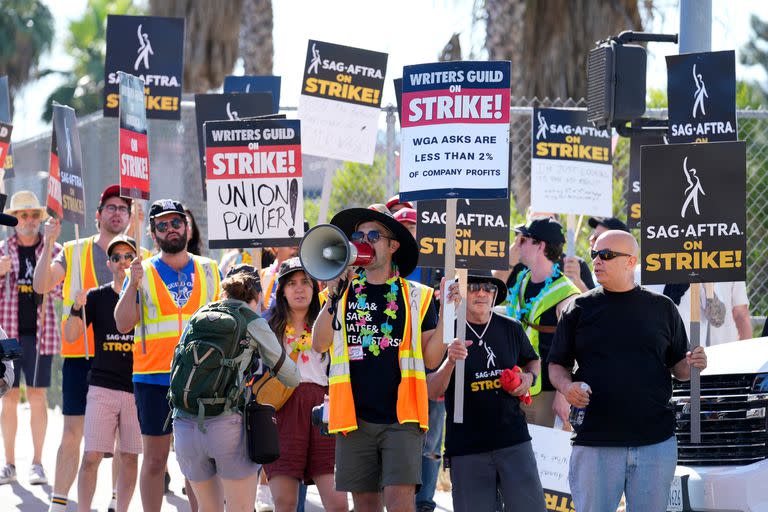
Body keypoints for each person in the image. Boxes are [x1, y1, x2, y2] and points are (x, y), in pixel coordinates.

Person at [548, 230, 707, 512]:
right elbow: (557, 364)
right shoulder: (579, 308)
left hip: (654, 442)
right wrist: (566, 387)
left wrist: (692, 364)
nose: (597, 260)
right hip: (595, 440)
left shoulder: (662, 308)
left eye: (606, 255)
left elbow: (679, 368)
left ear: (630, 261)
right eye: (594, 253)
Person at [313, 204, 458, 512]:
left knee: (399, 502)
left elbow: (431, 359)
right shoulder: (341, 291)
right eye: (359, 235)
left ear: (393, 245)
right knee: (365, 505)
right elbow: (319, 342)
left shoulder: (418, 295)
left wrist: (447, 315)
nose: (365, 241)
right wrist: (334, 294)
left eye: (374, 235)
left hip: (401, 418)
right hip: (353, 417)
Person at [115, 198, 221, 512]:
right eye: (162, 225)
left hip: (201, 378)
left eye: (176, 222)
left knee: (196, 460)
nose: (171, 229)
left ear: (187, 226)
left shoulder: (209, 269)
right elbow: (122, 323)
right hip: (153, 378)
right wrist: (131, 284)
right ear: (152, 232)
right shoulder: (141, 270)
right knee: (156, 459)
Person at [33, 184, 133, 512]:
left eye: (123, 208)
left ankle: (117, 501)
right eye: (111, 207)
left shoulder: (138, 254)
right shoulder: (74, 249)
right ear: (98, 215)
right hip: (81, 357)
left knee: (123, 442)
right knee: (73, 432)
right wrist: (48, 242)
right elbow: (42, 284)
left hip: (125, 358)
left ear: (129, 218)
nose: (117, 213)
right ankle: (59, 503)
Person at [172, 269, 300, 512]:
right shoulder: (252, 320)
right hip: (225, 426)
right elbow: (292, 377)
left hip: (185, 425)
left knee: (207, 509)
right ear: (258, 296)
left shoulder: (200, 314)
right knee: (239, 508)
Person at [427, 271, 546, 512]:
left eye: (488, 288)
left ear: (495, 296)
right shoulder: (448, 331)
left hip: (513, 441)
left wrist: (528, 378)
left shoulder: (510, 328)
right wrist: (450, 362)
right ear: (461, 292)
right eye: (473, 287)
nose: (481, 292)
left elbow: (533, 361)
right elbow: (432, 390)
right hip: (468, 447)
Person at [264, 257, 348, 512]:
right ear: (282, 291)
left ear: (315, 287)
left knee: (338, 503)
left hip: (323, 409)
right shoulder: (268, 326)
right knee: (285, 503)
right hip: (283, 410)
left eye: (305, 282)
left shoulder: (330, 319)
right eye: (291, 283)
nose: (299, 289)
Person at [65, 236, 141, 512]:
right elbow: (71, 336)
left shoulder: (146, 296)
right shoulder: (96, 297)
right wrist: (76, 306)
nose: (123, 262)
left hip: (136, 387)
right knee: (91, 456)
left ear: (137, 260)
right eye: (117, 257)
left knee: (130, 457)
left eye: (128, 256)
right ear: (109, 264)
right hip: (102, 386)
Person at [0, 191, 61, 485]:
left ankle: (37, 463)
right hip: (8, 336)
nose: (28, 220)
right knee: (9, 397)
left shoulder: (53, 248)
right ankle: (9, 463)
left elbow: (61, 290)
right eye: (22, 215)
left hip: (41, 335)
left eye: (34, 215)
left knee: (38, 397)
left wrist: (50, 252)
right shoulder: (2, 250)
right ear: (14, 219)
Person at [505, 217, 580, 427]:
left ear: (541, 245)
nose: (518, 245)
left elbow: (575, 347)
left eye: (524, 240)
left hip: (546, 393)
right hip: (516, 384)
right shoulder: (522, 279)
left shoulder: (566, 293)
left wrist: (563, 392)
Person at [393, 207, 443, 512]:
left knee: (431, 437)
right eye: (404, 228)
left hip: (428, 364)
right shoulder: (385, 266)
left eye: (414, 227)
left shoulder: (437, 266)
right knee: (398, 436)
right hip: (393, 367)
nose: (410, 233)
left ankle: (424, 503)